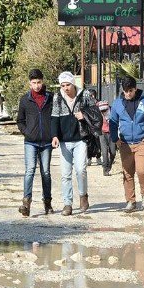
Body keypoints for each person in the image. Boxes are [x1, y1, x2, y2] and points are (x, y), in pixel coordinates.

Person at [109, 75, 144, 212]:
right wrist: (115, 138)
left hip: (142, 142)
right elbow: (112, 122)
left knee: (142, 170)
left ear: (135, 88)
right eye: (125, 91)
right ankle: (131, 201)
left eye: (130, 90)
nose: (127, 94)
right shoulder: (118, 104)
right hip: (125, 143)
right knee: (127, 173)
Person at [50, 71, 97, 216]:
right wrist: (55, 136)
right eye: (63, 85)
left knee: (80, 169)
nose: (65, 88)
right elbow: (54, 117)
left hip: (81, 139)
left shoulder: (85, 95)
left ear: (73, 83)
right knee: (65, 174)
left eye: (68, 85)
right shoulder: (57, 97)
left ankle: (83, 197)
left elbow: (95, 112)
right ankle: (67, 204)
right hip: (64, 141)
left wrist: (84, 115)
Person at [16, 69, 54, 217]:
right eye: (34, 83)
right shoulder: (25, 99)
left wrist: (53, 134)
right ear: (29, 83)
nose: (37, 86)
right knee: (30, 170)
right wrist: (27, 132)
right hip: (30, 142)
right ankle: (26, 203)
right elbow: (20, 120)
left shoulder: (50, 97)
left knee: (45, 172)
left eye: (39, 82)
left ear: (42, 81)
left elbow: (54, 117)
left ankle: (48, 203)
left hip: (46, 142)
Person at [87, 89, 116, 176]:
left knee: (113, 152)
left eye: (105, 111)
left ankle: (109, 165)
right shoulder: (96, 111)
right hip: (102, 134)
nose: (103, 113)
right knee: (104, 152)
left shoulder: (112, 111)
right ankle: (105, 169)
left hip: (112, 133)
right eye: (101, 111)